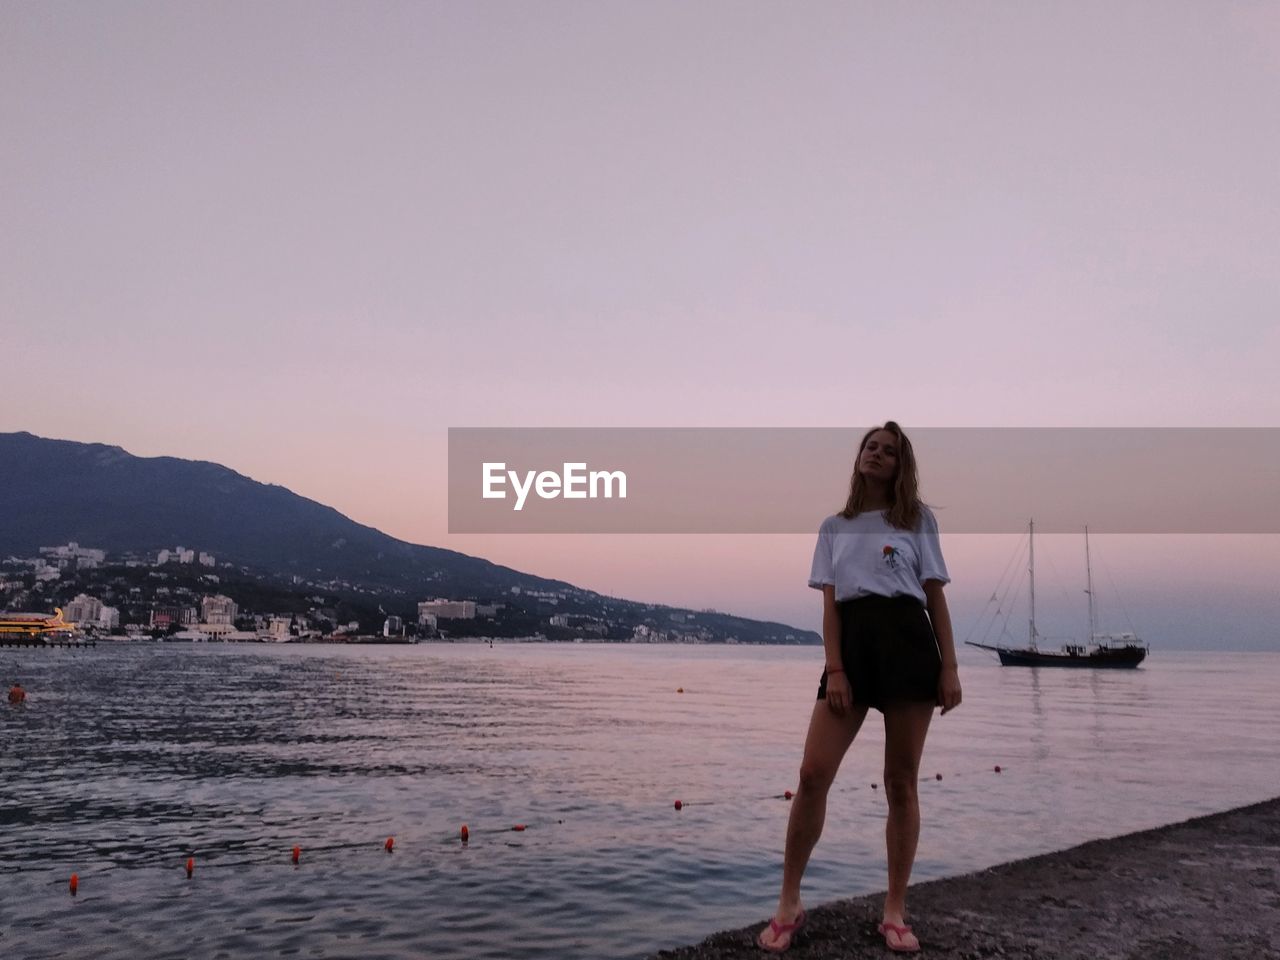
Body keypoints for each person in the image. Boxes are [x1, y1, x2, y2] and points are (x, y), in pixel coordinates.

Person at [757, 422, 962, 955]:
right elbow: (830, 605)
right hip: (853, 648)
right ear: (859, 457)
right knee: (812, 772)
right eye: (870, 446)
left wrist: (950, 667)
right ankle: (789, 903)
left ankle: (894, 909)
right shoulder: (834, 526)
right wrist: (837, 669)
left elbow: (934, 597)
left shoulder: (917, 520)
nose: (876, 454)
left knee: (901, 781)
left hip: (909, 645)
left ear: (901, 465)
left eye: (888, 451)